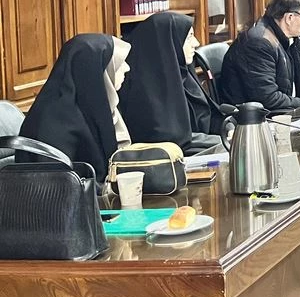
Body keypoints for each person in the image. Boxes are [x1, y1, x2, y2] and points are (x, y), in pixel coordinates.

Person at [18, 34, 131, 181]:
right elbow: (57, 185)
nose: (127, 68)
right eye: (118, 63)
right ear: (92, 69)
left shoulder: (95, 105)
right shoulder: (55, 124)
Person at [118, 12, 226, 155]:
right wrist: (223, 141)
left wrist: (230, 129)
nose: (196, 43)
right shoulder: (145, 89)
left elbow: (209, 117)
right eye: (189, 37)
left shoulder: (184, 74)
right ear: (169, 42)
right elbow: (174, 141)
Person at [218, 0, 300, 111]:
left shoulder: (289, 38)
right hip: (257, 117)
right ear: (289, 18)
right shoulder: (259, 43)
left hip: (285, 110)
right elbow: (268, 98)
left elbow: (293, 82)